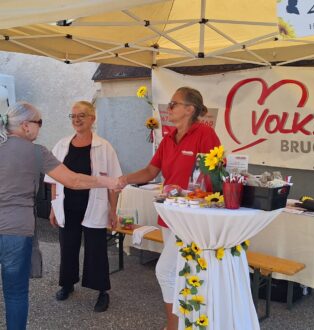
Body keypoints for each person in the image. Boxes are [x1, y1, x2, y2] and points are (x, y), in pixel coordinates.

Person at [0, 102, 117, 330]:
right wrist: (109, 181)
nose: (40, 129)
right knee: (15, 293)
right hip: (16, 229)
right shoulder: (37, 152)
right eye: (39, 123)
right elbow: (73, 180)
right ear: (25, 126)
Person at [117, 87, 220, 330]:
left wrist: (191, 193)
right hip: (169, 215)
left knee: (165, 271)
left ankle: (173, 326)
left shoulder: (205, 135)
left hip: (192, 217)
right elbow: (151, 171)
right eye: (169, 104)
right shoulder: (168, 138)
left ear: (189, 109)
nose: (169, 108)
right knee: (179, 273)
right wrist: (124, 179)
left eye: (174, 104)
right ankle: (186, 322)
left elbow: (216, 176)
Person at [44, 101, 122, 313]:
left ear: (92, 119)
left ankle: (102, 291)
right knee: (67, 247)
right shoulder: (61, 145)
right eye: (73, 116)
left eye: (82, 115)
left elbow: (113, 184)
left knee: (96, 250)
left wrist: (113, 211)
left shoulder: (105, 147)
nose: (77, 119)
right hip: (67, 205)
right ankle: (67, 284)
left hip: (94, 206)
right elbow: (53, 179)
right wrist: (53, 207)